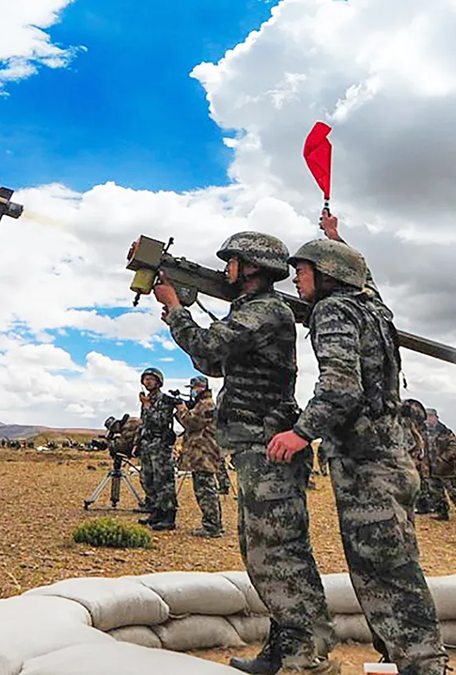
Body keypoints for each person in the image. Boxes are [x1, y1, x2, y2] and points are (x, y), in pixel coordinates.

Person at [152, 231, 338, 675]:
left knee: (280, 553)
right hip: (255, 449)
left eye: (233, 260)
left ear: (251, 266)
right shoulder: (251, 312)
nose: (227, 268)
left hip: (268, 446)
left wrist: (178, 310)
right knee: (262, 554)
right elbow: (214, 363)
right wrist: (178, 318)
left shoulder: (267, 310)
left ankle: (308, 657)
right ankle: (284, 649)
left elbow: (210, 346)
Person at [268, 238, 449, 675]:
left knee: (384, 569)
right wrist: (335, 235)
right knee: (396, 562)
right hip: (393, 454)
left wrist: (300, 433)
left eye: (305, 268)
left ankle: (424, 666)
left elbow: (340, 387)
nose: (296, 276)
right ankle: (410, 659)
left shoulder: (335, 311)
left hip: (366, 463)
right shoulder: (376, 310)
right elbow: (366, 278)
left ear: (329, 274)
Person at [175, 375, 224, 537]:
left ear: (201, 388)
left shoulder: (206, 405)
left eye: (194, 389)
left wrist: (181, 408)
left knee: (205, 490)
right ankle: (214, 524)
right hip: (201, 453)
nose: (192, 392)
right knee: (207, 489)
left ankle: (211, 527)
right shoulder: (202, 404)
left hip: (204, 454)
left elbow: (191, 423)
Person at [135, 367, 178, 531]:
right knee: (148, 479)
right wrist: (137, 443)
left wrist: (147, 406)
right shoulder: (147, 399)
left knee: (163, 481)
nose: (148, 382)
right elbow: (143, 424)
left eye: (151, 379)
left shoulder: (165, 400)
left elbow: (160, 421)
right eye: (145, 379)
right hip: (147, 444)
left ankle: (168, 516)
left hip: (160, 445)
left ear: (158, 382)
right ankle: (156, 511)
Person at [424, 408, 456, 523]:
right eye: (427, 416)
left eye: (431, 416)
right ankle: (442, 513)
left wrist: (444, 458)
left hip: (446, 470)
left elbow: (455, 447)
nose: (428, 419)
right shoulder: (423, 432)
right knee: (436, 494)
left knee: (453, 493)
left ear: (436, 417)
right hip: (430, 469)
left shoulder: (445, 431)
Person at [401, 399, 436, 515]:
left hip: (426, 462)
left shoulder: (426, 430)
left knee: (426, 484)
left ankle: (427, 505)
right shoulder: (406, 427)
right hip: (415, 461)